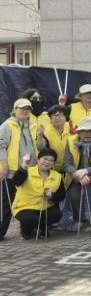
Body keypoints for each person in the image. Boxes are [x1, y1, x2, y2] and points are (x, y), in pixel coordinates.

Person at [0, 98, 43, 240]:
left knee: (30, 201)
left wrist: (40, 136)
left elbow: (41, 147)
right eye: (22, 108)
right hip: (12, 171)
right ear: (14, 110)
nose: (25, 111)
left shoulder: (34, 125)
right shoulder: (7, 125)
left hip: (31, 171)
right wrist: (3, 165)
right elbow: (1, 146)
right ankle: (1, 232)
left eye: (28, 109)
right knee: (6, 203)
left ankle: (28, 230)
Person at [63, 116, 91, 233]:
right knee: (74, 195)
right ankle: (79, 219)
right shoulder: (70, 141)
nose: (88, 133)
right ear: (79, 132)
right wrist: (78, 175)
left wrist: (86, 171)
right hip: (76, 175)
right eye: (84, 130)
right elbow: (67, 164)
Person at [11, 148, 65, 240]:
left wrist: (51, 196)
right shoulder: (27, 171)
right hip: (25, 207)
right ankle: (26, 230)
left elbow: (62, 195)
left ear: (53, 163)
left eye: (51, 160)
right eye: (45, 159)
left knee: (57, 214)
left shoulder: (57, 176)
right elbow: (16, 181)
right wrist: (23, 167)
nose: (47, 162)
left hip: (45, 207)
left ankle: (42, 227)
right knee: (30, 218)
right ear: (38, 159)